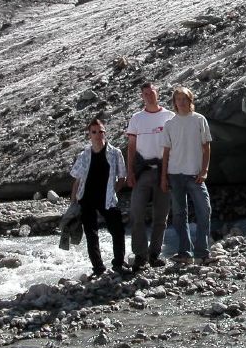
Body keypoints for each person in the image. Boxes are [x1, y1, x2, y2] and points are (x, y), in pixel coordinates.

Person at [70, 118, 130, 277]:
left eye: (101, 131)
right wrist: (73, 203)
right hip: (86, 198)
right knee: (91, 234)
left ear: (105, 132)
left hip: (107, 199)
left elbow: (123, 177)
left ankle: (118, 264)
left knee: (117, 230)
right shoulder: (84, 155)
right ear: (89, 134)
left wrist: (113, 191)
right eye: (94, 132)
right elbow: (77, 181)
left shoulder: (115, 153)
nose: (98, 135)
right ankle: (98, 268)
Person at [161, 86, 213, 264]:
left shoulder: (199, 120)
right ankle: (185, 253)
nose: (181, 102)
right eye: (178, 99)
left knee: (204, 210)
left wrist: (204, 170)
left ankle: (202, 252)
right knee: (179, 214)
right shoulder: (170, 124)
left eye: (184, 99)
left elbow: (206, 147)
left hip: (195, 174)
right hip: (174, 174)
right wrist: (163, 177)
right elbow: (166, 153)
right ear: (174, 102)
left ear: (190, 100)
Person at [126, 82, 174, 270]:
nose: (149, 96)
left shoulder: (169, 116)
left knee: (161, 215)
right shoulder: (137, 118)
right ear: (142, 96)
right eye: (145, 93)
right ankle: (140, 254)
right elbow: (131, 147)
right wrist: (130, 171)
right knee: (136, 212)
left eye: (152, 92)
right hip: (143, 171)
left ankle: (154, 254)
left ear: (157, 93)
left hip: (164, 171)